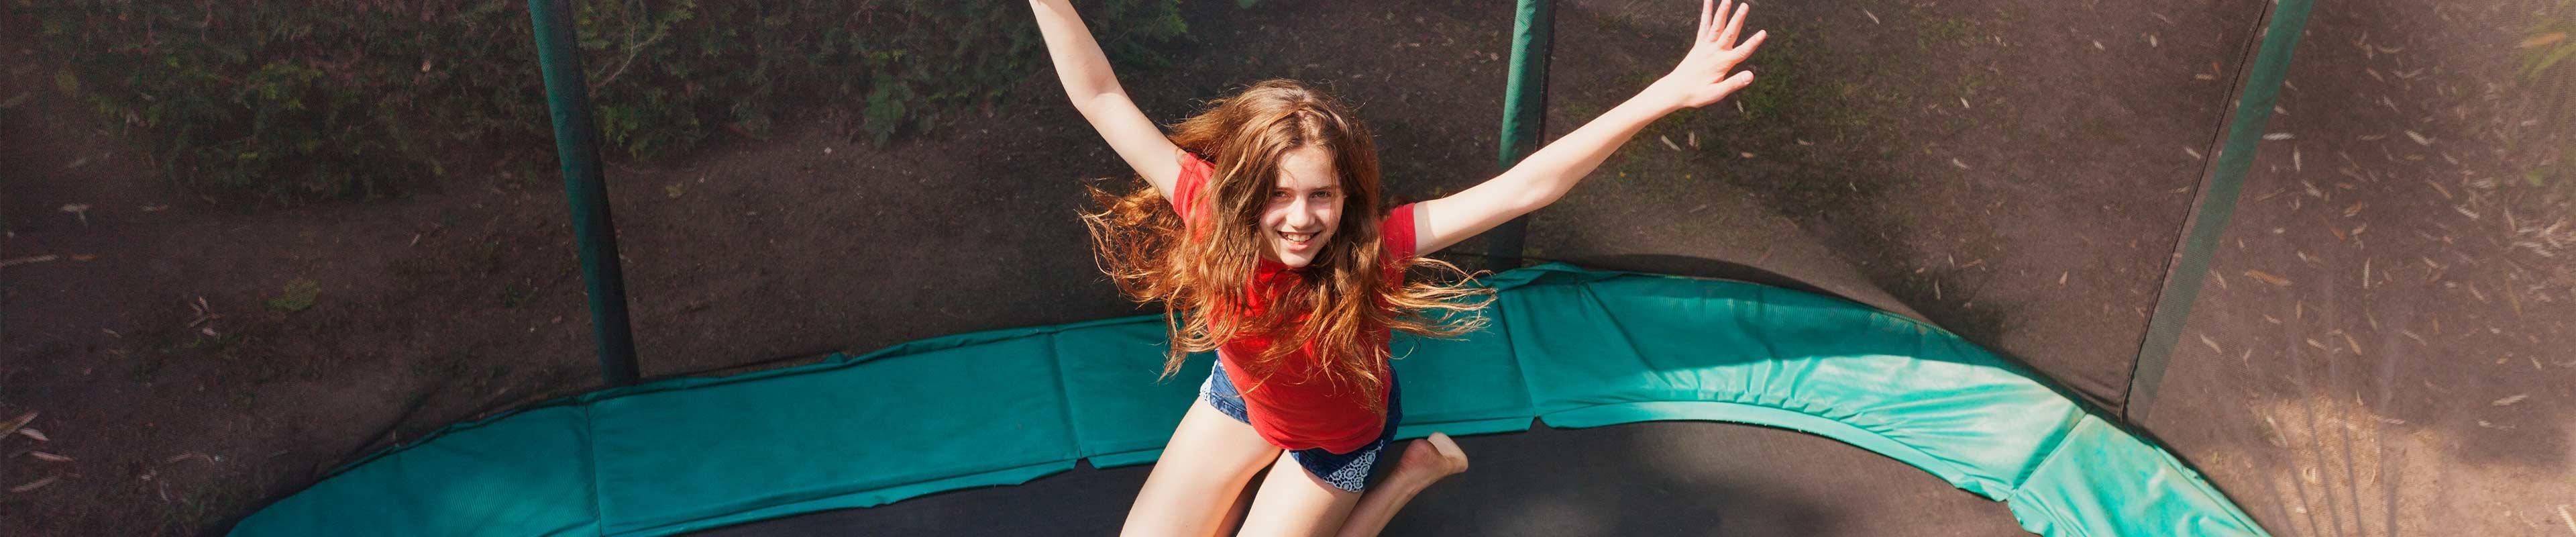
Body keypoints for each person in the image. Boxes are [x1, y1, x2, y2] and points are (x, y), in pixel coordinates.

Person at [1030, 1, 1766, 534]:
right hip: (1240, 401)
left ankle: (1407, 475)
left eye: (1322, 194)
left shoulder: (1376, 247)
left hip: (1337, 438)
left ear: (1348, 196)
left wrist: (1665, 94)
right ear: (1244, 191)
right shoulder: (1205, 203)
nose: (1300, 217)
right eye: (1279, 194)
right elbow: (1099, 96)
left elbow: (1526, 187)